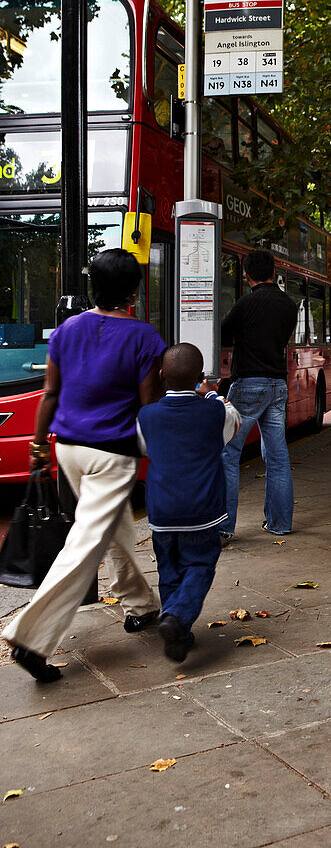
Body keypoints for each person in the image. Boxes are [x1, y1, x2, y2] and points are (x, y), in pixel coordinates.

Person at [4, 249, 165, 683]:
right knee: (85, 544)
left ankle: (140, 605)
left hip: (66, 449)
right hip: (112, 454)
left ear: (93, 286)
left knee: (112, 527)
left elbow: (50, 394)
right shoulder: (146, 338)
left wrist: (38, 445)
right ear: (134, 291)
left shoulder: (66, 330)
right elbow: (149, 406)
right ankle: (30, 636)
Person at [136, 344, 240, 662]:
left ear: (162, 375)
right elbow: (234, 423)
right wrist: (210, 394)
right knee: (199, 565)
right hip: (202, 511)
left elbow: (144, 448)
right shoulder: (214, 411)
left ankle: (177, 635)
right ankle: (177, 618)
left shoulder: (147, 415)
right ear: (200, 376)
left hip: (162, 511)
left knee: (169, 570)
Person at [220, 249, 298, 541]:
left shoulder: (246, 304)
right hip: (277, 385)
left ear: (247, 275)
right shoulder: (289, 305)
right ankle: (279, 523)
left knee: (229, 453)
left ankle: (225, 527)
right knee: (277, 457)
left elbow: (224, 335)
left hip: (248, 385)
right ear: (273, 273)